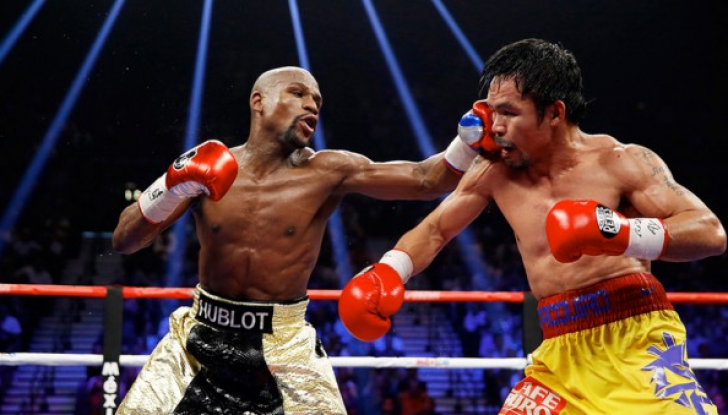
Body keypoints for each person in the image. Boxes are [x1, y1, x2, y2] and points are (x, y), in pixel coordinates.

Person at [339, 39, 726, 414]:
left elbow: (710, 232)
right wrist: (388, 271)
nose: (495, 126)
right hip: (557, 349)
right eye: (492, 112)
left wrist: (621, 233)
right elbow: (436, 230)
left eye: (508, 113)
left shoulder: (620, 161)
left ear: (554, 113)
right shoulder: (495, 170)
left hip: (637, 338)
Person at [112, 66, 481, 414]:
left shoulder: (328, 171)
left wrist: (469, 138)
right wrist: (171, 186)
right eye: (298, 93)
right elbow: (124, 240)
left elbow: (427, 180)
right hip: (198, 340)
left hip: (284, 345)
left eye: (317, 100)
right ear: (259, 102)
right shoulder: (210, 169)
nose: (312, 105)